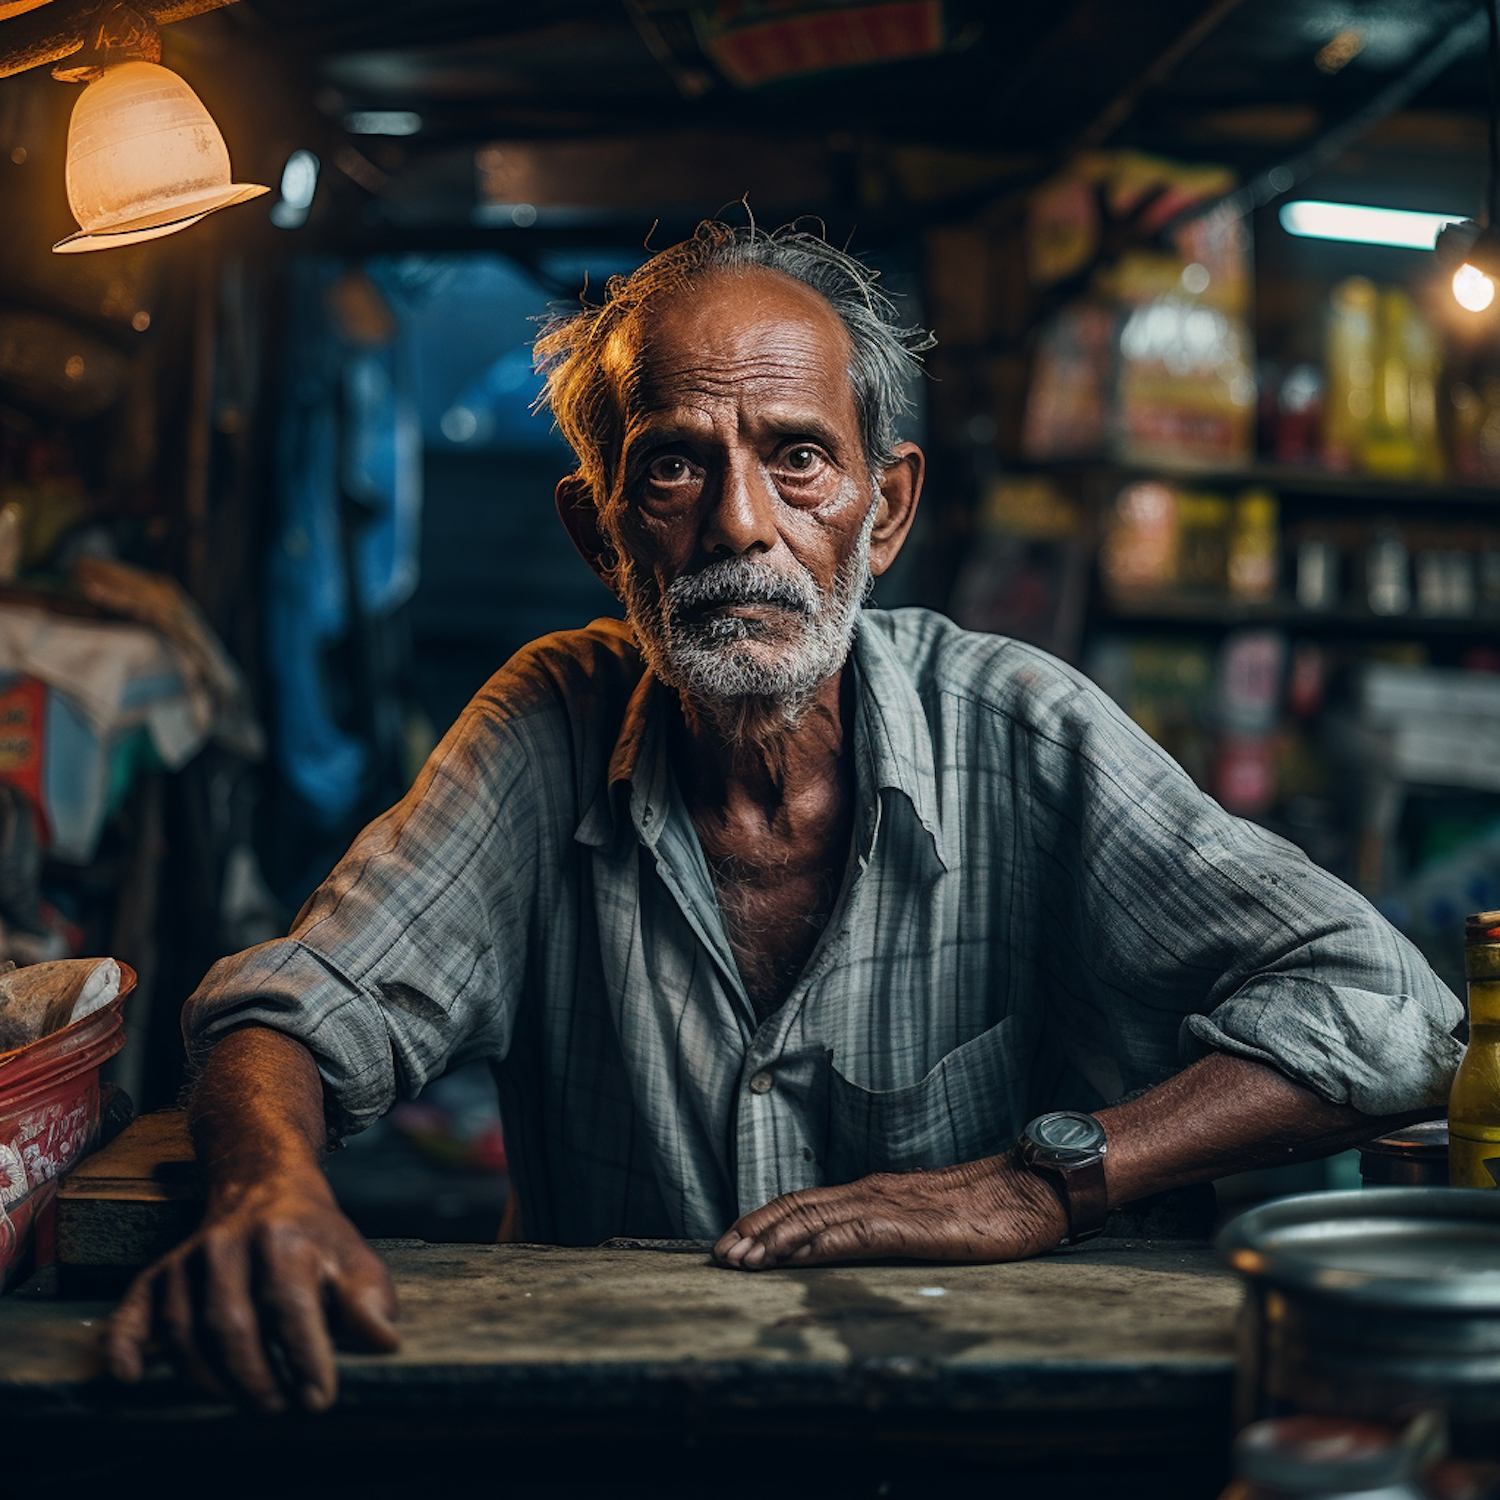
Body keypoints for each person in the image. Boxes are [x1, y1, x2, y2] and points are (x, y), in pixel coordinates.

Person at [106, 221, 1461, 1413]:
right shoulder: (549, 726)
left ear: (885, 513)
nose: (742, 523)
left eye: (800, 458)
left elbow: (1393, 1012)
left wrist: (1045, 1181)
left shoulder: (1018, 728)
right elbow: (290, 1010)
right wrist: (265, 1189)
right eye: (675, 469)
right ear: (601, 534)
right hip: (641, 1432)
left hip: (999, 1429)